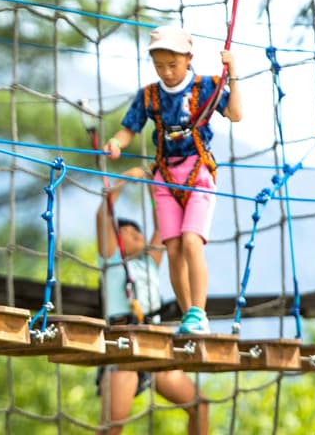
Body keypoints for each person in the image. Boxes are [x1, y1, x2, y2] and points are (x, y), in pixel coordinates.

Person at [104, 25, 242, 334]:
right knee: (174, 247)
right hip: (164, 176)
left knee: (192, 241)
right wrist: (116, 142)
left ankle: (199, 311)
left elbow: (235, 114)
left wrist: (233, 72)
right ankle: (187, 315)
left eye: (173, 65)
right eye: (159, 66)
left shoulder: (206, 87)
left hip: (197, 173)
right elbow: (130, 127)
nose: (166, 72)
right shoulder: (150, 95)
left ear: (188, 58)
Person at [95, 167, 209, 435]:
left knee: (199, 405)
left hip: (154, 343)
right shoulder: (111, 259)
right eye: (127, 230)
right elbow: (103, 214)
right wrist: (126, 178)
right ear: (115, 237)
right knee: (112, 427)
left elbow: (162, 225)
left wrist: (151, 183)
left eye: (138, 232)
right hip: (123, 347)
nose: (136, 233)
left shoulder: (149, 262)